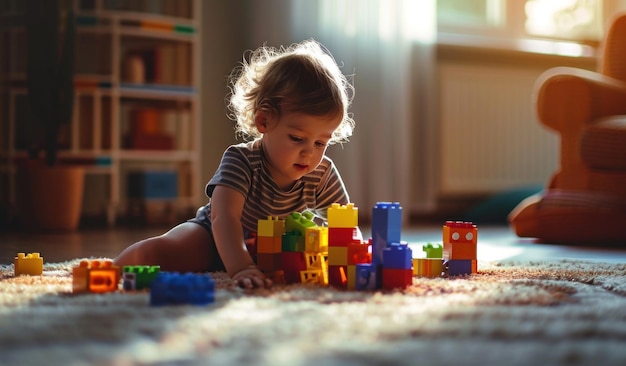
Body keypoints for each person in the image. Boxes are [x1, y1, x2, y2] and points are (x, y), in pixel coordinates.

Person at [114, 39, 356, 289]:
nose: (309, 153)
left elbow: (344, 225)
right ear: (264, 121)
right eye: (297, 138)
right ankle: (111, 268)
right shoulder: (241, 160)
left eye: (320, 143)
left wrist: (352, 258)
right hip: (214, 238)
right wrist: (241, 266)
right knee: (159, 254)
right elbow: (224, 217)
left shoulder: (322, 172)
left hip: (274, 251)